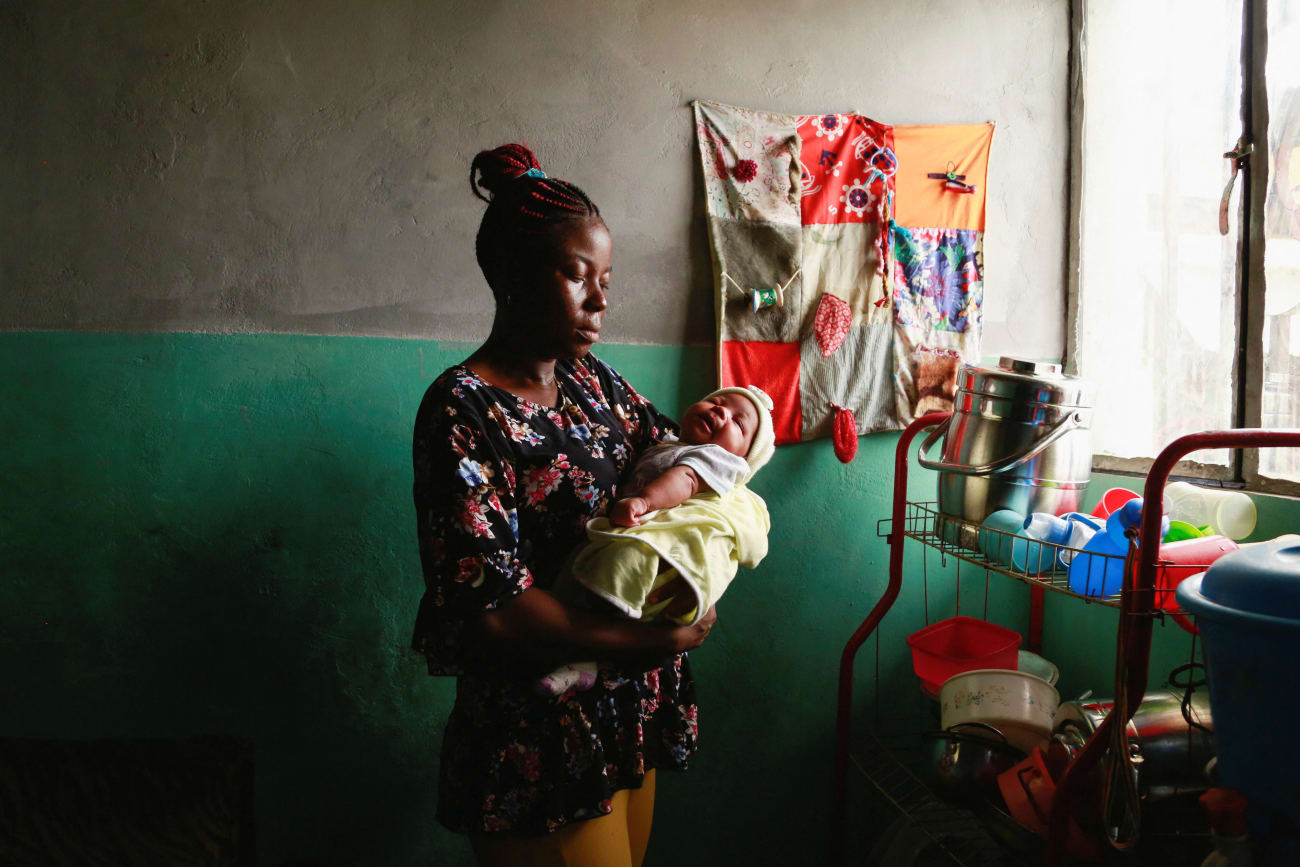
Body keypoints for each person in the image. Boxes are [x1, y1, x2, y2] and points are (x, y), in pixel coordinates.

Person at [411, 142, 717, 867]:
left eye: (607, 278)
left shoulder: (595, 385)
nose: (601, 299)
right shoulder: (463, 409)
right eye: (580, 276)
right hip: (536, 738)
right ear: (515, 276)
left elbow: (688, 470)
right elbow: (493, 607)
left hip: (627, 713)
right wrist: (652, 641)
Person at [537, 385, 774, 695]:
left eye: (737, 423)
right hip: (626, 528)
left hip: (651, 536)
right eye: (716, 401)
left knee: (618, 578)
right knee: (580, 580)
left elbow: (685, 480)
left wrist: (645, 502)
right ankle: (582, 662)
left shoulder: (717, 459)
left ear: (744, 457)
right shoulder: (670, 444)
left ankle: (585, 661)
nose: (720, 411)